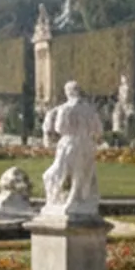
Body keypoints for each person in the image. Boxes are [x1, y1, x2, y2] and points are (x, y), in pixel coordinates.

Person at [40, 80, 103, 216]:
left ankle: (62, 200)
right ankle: (79, 202)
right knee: (83, 175)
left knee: (58, 173)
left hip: (70, 144)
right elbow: (98, 130)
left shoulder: (65, 109)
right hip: (87, 145)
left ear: (68, 92)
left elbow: (59, 128)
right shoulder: (90, 109)